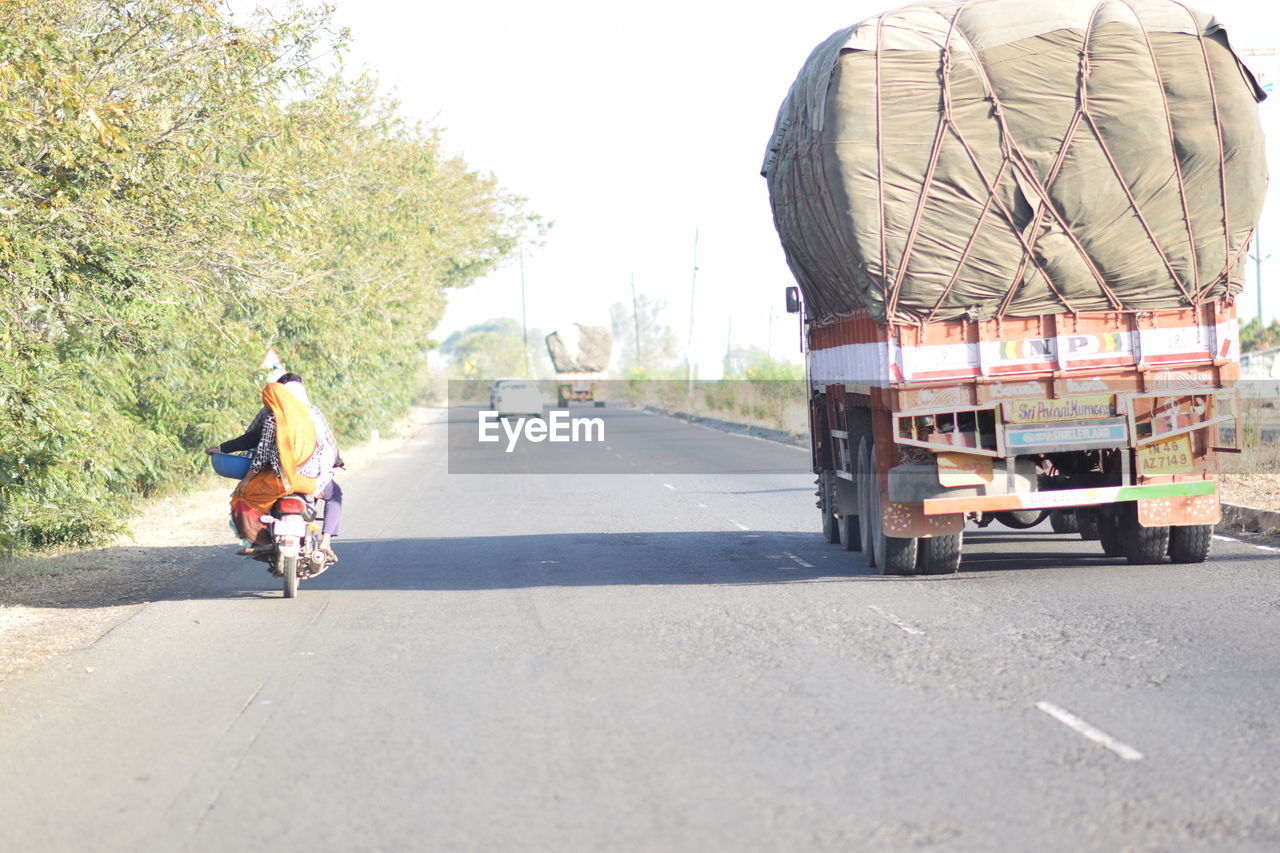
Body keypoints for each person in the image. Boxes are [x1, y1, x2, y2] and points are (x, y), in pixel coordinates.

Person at [206, 373, 344, 563]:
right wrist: (331, 465)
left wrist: (245, 479)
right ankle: (326, 542)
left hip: (283, 480)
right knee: (335, 495)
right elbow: (327, 445)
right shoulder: (310, 414)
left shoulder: (271, 417)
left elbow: (256, 447)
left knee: (242, 499)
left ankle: (258, 541)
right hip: (311, 480)